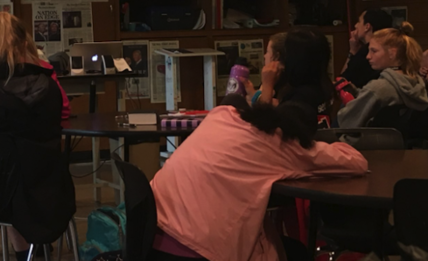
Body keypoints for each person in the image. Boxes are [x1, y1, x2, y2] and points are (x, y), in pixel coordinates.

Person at [150, 100, 368, 261]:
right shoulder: (282, 144)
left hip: (152, 233)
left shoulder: (222, 115)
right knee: (295, 252)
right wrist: (315, 143)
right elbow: (356, 162)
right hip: (202, 249)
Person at [0, 13, 74, 259]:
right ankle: (34, 249)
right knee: (23, 175)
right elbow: (63, 115)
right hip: (42, 191)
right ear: (25, 43)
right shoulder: (48, 88)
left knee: (5, 174)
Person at [337, 22, 428, 128]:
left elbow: (347, 121)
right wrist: (357, 92)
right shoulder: (416, 82)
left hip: (366, 142)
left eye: (374, 51)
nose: (368, 57)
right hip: (396, 141)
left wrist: (347, 103)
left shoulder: (377, 88)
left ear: (392, 53)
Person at [258, 28, 334, 115]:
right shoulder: (320, 85)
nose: (265, 56)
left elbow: (263, 122)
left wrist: (267, 84)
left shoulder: (300, 98)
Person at [341, 10, 393, 88]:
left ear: (367, 27)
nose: (355, 25)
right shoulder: (388, 48)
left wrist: (352, 51)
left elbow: (341, 82)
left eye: (359, 21)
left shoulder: (364, 53)